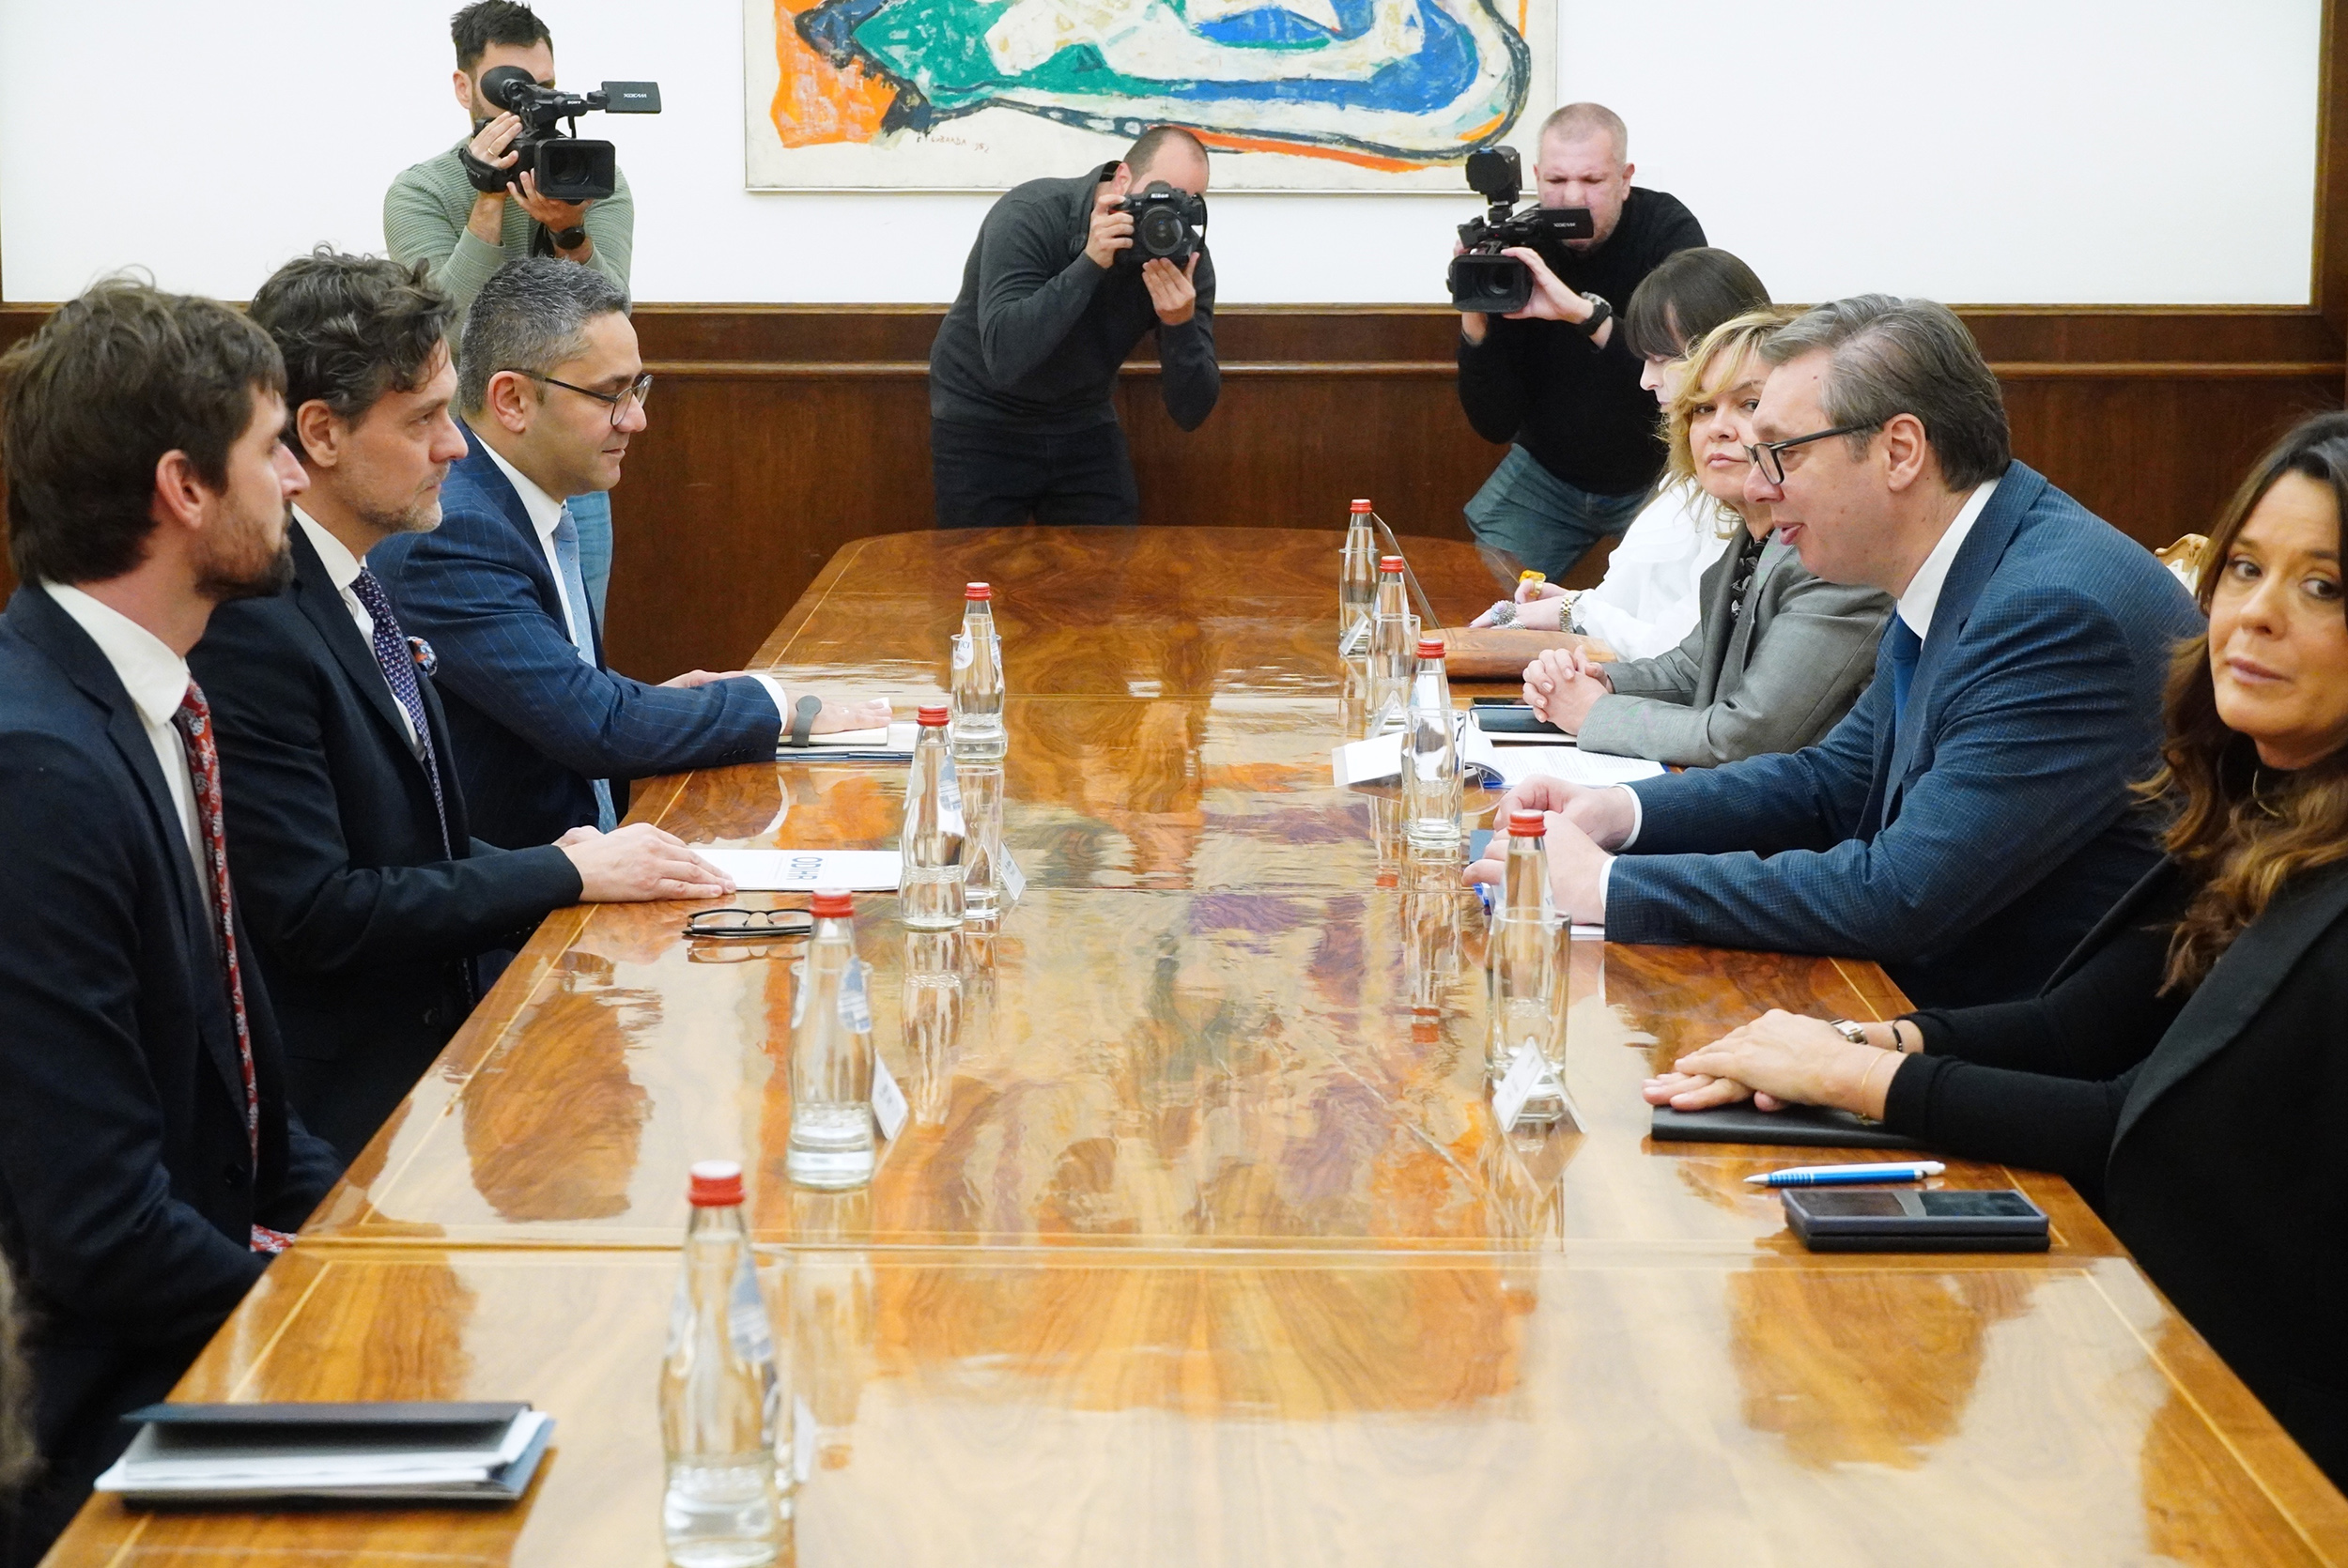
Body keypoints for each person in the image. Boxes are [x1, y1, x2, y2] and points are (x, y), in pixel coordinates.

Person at [1643, 409, 2348, 1483]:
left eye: (2322, 587)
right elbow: (2078, 1025)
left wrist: (1859, 1076)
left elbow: (2148, 1130)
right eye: (2245, 566)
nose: (2251, 615)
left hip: (2274, 1417)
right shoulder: (2264, 794)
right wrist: (1862, 1039)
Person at [1469, 296, 2202, 1007]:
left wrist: (1606, 887)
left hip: (1995, 1053)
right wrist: (1621, 813)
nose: (1757, 485)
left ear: (1900, 451)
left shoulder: (2050, 611)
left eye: (1780, 454)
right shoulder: (1969, 559)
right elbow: (1832, 783)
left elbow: (1901, 892)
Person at [190, 251, 736, 1162]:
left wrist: (555, 858)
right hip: (356, 1108)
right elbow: (321, 911)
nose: (456, 446)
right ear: (320, 433)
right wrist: (560, 876)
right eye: (428, 419)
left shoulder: (355, 576)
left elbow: (405, 841)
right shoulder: (258, 624)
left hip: (436, 1041)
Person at [0, 279, 342, 1566]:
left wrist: (366, 1235)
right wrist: (333, 1303)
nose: (296, 482)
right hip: (93, 1421)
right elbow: (96, 1232)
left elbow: (250, 1114)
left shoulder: (150, 706)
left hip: (191, 1312)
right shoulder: (36, 768)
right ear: (183, 490)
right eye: (271, 449)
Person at [369, 258, 889, 850]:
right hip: (521, 910)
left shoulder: (520, 506)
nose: (637, 420)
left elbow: (555, 685)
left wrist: (658, 702)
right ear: (512, 399)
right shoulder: (455, 533)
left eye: (638, 389)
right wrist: (773, 706)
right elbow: (598, 727)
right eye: (610, 395)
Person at [1517, 310, 1892, 766]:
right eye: (1702, 408)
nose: (1718, 428)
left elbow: (1745, 737)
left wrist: (1594, 711)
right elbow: (1692, 666)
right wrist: (1596, 679)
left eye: (1749, 405)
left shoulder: (1833, 557)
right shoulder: (1749, 541)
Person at [385, 0, 628, 621]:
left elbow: (610, 322)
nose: (530, 107)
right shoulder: (421, 191)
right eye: (511, 90)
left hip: (570, 439)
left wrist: (571, 234)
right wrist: (488, 200)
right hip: (465, 442)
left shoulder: (590, 175)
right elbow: (450, 332)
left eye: (543, 88)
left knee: (579, 623)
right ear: (465, 87)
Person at [1475, 248, 1771, 660]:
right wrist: (1571, 606)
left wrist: (1577, 612)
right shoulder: (1687, 474)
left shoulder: (1745, 486)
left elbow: (1686, 651)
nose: (1647, 380)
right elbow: (1643, 605)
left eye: (1663, 359)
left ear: (1725, 350)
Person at [1455, 102, 1706, 580]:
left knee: (1676, 607)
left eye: (1591, 181)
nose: (1573, 198)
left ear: (1625, 177)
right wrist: (1475, 316)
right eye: (1556, 181)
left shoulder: (1666, 229)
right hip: (1549, 471)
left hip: (1662, 469)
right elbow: (1492, 422)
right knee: (1485, 596)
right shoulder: (1514, 245)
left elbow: (1693, 368)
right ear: (1535, 176)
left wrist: (1583, 314)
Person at [927, 124, 1218, 529]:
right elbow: (1006, 357)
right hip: (982, 417)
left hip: (1082, 419)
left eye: (1185, 201)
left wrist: (1179, 326)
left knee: (1106, 573)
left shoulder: (1184, 257)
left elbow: (1191, 411)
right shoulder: (1032, 212)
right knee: (979, 572)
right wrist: (1090, 262)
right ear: (1122, 178)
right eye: (1158, 191)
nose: (1165, 210)